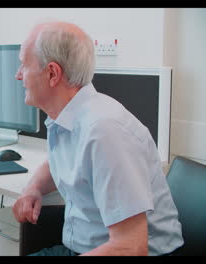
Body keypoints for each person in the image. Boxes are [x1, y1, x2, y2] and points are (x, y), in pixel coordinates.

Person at [12, 21, 184, 256]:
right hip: (85, 248)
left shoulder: (105, 132)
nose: (18, 75)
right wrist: (33, 188)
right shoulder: (68, 118)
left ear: (52, 73)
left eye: (24, 65)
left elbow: (132, 247)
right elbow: (60, 163)